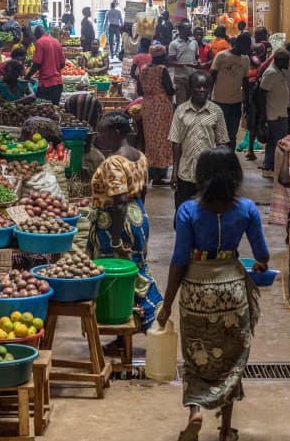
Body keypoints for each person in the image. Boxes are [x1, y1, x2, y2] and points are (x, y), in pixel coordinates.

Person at [160, 147, 268, 441]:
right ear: (235, 175)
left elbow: (179, 259)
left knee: (197, 356)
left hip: (196, 288)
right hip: (232, 290)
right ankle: (224, 431)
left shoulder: (188, 211)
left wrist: (167, 304)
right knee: (230, 360)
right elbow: (262, 254)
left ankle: (195, 411)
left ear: (201, 176)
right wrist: (258, 265)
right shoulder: (247, 208)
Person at [89, 112, 163, 332]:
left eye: (102, 133)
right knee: (136, 266)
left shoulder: (114, 162)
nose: (98, 137)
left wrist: (114, 239)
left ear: (116, 133)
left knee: (117, 276)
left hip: (115, 222)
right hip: (137, 217)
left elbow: (119, 201)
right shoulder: (139, 156)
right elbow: (141, 193)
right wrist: (138, 217)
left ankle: (139, 317)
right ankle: (138, 322)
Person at [169, 71, 230, 207]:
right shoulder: (181, 111)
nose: (202, 90)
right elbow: (176, 143)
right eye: (198, 86)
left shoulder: (216, 111)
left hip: (208, 174)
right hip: (185, 172)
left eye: (205, 86)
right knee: (182, 214)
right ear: (191, 88)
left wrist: (222, 174)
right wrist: (174, 172)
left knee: (206, 214)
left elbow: (222, 143)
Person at [137, 44, 176, 184]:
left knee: (150, 139)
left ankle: (151, 171)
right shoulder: (162, 70)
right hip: (161, 106)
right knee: (162, 138)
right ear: (162, 56)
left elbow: (140, 91)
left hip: (147, 105)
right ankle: (159, 175)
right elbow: (170, 90)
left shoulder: (143, 69)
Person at [211, 32, 252, 147]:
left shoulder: (245, 59)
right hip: (219, 101)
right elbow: (212, 77)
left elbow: (245, 82)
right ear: (239, 44)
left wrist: (246, 102)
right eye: (246, 46)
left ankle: (230, 159)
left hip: (236, 102)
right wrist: (208, 98)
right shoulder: (221, 56)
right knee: (220, 134)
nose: (248, 49)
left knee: (232, 134)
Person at [259, 48, 290, 172]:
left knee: (273, 143)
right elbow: (262, 94)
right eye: (286, 61)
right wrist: (263, 116)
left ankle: (269, 165)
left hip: (280, 112)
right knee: (279, 143)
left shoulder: (279, 72)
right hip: (275, 115)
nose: (288, 64)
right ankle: (275, 166)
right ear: (279, 60)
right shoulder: (271, 73)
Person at [28, 25, 65, 105]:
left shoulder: (40, 42)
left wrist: (27, 77)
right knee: (55, 110)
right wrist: (54, 68)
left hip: (46, 84)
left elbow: (36, 64)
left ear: (36, 34)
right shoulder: (56, 41)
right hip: (58, 84)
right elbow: (62, 64)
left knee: (44, 111)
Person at [167, 21, 200, 102]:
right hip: (180, 78)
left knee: (192, 102)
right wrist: (187, 64)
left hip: (192, 77)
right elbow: (171, 62)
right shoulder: (174, 44)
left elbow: (196, 57)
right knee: (181, 103)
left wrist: (198, 62)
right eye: (187, 29)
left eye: (190, 28)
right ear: (180, 30)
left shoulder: (194, 42)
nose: (190, 31)